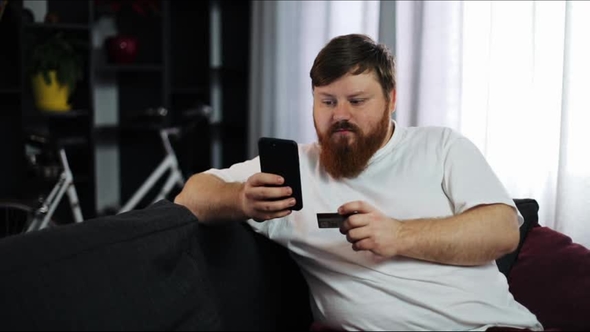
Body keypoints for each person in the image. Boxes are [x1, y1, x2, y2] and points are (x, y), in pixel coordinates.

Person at [174, 34, 543, 331]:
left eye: (357, 100)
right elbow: (191, 195)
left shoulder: (442, 146)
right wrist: (241, 198)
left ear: (391, 98)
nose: (341, 115)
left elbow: (502, 230)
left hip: (491, 326)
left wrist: (399, 235)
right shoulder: (296, 171)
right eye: (327, 101)